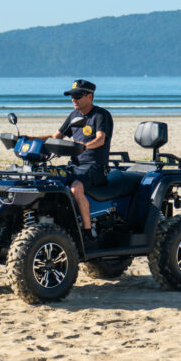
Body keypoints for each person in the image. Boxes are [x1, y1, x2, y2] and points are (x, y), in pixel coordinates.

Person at [30, 79, 113, 248]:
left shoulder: (100, 115)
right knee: (51, 180)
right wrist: (30, 139)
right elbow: (56, 137)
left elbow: (100, 139)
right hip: (75, 165)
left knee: (76, 188)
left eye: (77, 96)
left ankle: (87, 231)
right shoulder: (74, 116)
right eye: (71, 96)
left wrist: (82, 147)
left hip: (95, 166)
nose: (73, 99)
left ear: (89, 97)